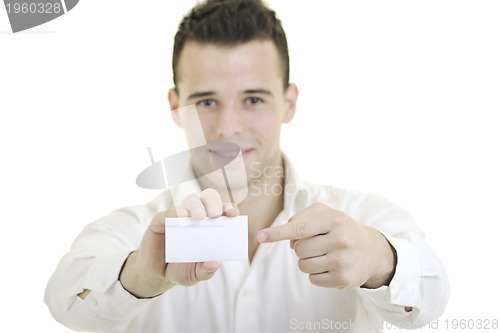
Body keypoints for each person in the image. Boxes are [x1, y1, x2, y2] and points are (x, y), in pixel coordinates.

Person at [44, 0, 450, 332]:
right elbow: (64, 301)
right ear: (175, 106)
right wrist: (140, 276)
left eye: (253, 99)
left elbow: (431, 297)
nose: (228, 127)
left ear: (288, 103)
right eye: (206, 101)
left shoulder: (359, 217)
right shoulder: (132, 232)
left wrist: (380, 261)